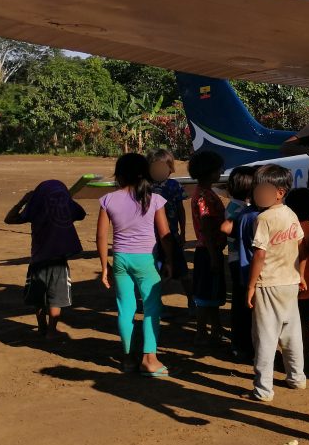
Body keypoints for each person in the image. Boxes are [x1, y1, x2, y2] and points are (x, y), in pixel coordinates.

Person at [96, 153, 175, 376]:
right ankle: (150, 359)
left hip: (121, 258)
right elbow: (165, 235)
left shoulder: (108, 199)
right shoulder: (154, 199)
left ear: (119, 176)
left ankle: (128, 359)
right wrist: (169, 261)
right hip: (146, 261)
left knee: (125, 309)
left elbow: (101, 237)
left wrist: (104, 266)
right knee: (151, 309)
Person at [245, 164, 306, 402]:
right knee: (292, 334)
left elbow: (259, 255)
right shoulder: (290, 213)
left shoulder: (263, 218)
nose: (256, 194)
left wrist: (251, 286)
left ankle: (263, 390)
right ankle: (297, 377)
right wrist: (300, 274)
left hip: (268, 283)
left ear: (279, 192)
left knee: (266, 337)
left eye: (261, 189)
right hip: (289, 282)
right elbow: (300, 246)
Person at [5, 180, 87, 340]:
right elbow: (82, 213)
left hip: (38, 260)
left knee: (39, 297)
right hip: (58, 260)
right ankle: (51, 331)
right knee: (56, 298)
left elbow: (9, 219)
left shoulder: (35, 210)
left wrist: (24, 200)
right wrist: (67, 199)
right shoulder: (65, 210)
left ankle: (42, 328)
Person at [188, 150, 227, 347]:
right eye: (218, 169)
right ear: (209, 172)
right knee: (205, 295)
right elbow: (206, 227)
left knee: (211, 294)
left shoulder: (203, 193)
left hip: (208, 250)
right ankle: (201, 331)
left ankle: (216, 328)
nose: (220, 172)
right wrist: (213, 256)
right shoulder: (204, 196)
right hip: (208, 251)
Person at [148, 149, 190, 316]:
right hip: (151, 238)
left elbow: (180, 210)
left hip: (171, 235)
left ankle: (192, 301)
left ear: (170, 168)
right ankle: (157, 304)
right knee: (155, 272)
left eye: (162, 168)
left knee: (183, 271)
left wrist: (183, 232)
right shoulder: (145, 186)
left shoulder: (174, 185)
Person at [220, 166, 256, 360]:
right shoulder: (241, 209)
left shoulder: (235, 205)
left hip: (236, 259)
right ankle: (241, 344)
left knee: (240, 304)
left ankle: (239, 343)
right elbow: (227, 228)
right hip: (241, 261)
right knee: (243, 305)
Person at [284, 187, 309, 363]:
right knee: (304, 325)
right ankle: (303, 358)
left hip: (287, 283)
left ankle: (292, 358)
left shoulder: (285, 229)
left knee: (289, 324)